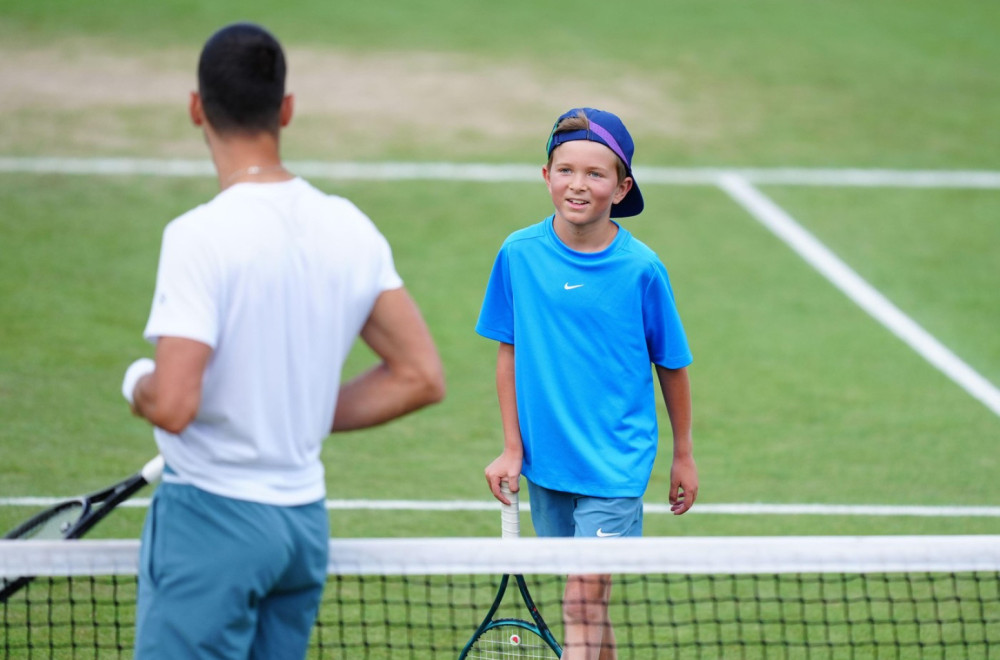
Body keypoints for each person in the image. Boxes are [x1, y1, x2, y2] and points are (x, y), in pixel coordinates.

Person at [120, 22, 445, 659]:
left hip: (211, 520)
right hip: (302, 530)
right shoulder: (350, 228)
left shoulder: (197, 237)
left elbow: (174, 403)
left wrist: (135, 383)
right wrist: (294, 411)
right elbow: (420, 376)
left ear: (196, 108)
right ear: (286, 109)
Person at [476, 107, 697, 659]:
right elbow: (509, 351)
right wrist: (511, 447)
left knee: (580, 602)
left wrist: (683, 455)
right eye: (566, 170)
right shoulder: (518, 255)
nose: (578, 184)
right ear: (546, 176)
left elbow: (671, 364)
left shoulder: (642, 269)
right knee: (588, 604)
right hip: (548, 461)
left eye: (595, 174)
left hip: (616, 463)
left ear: (621, 188)